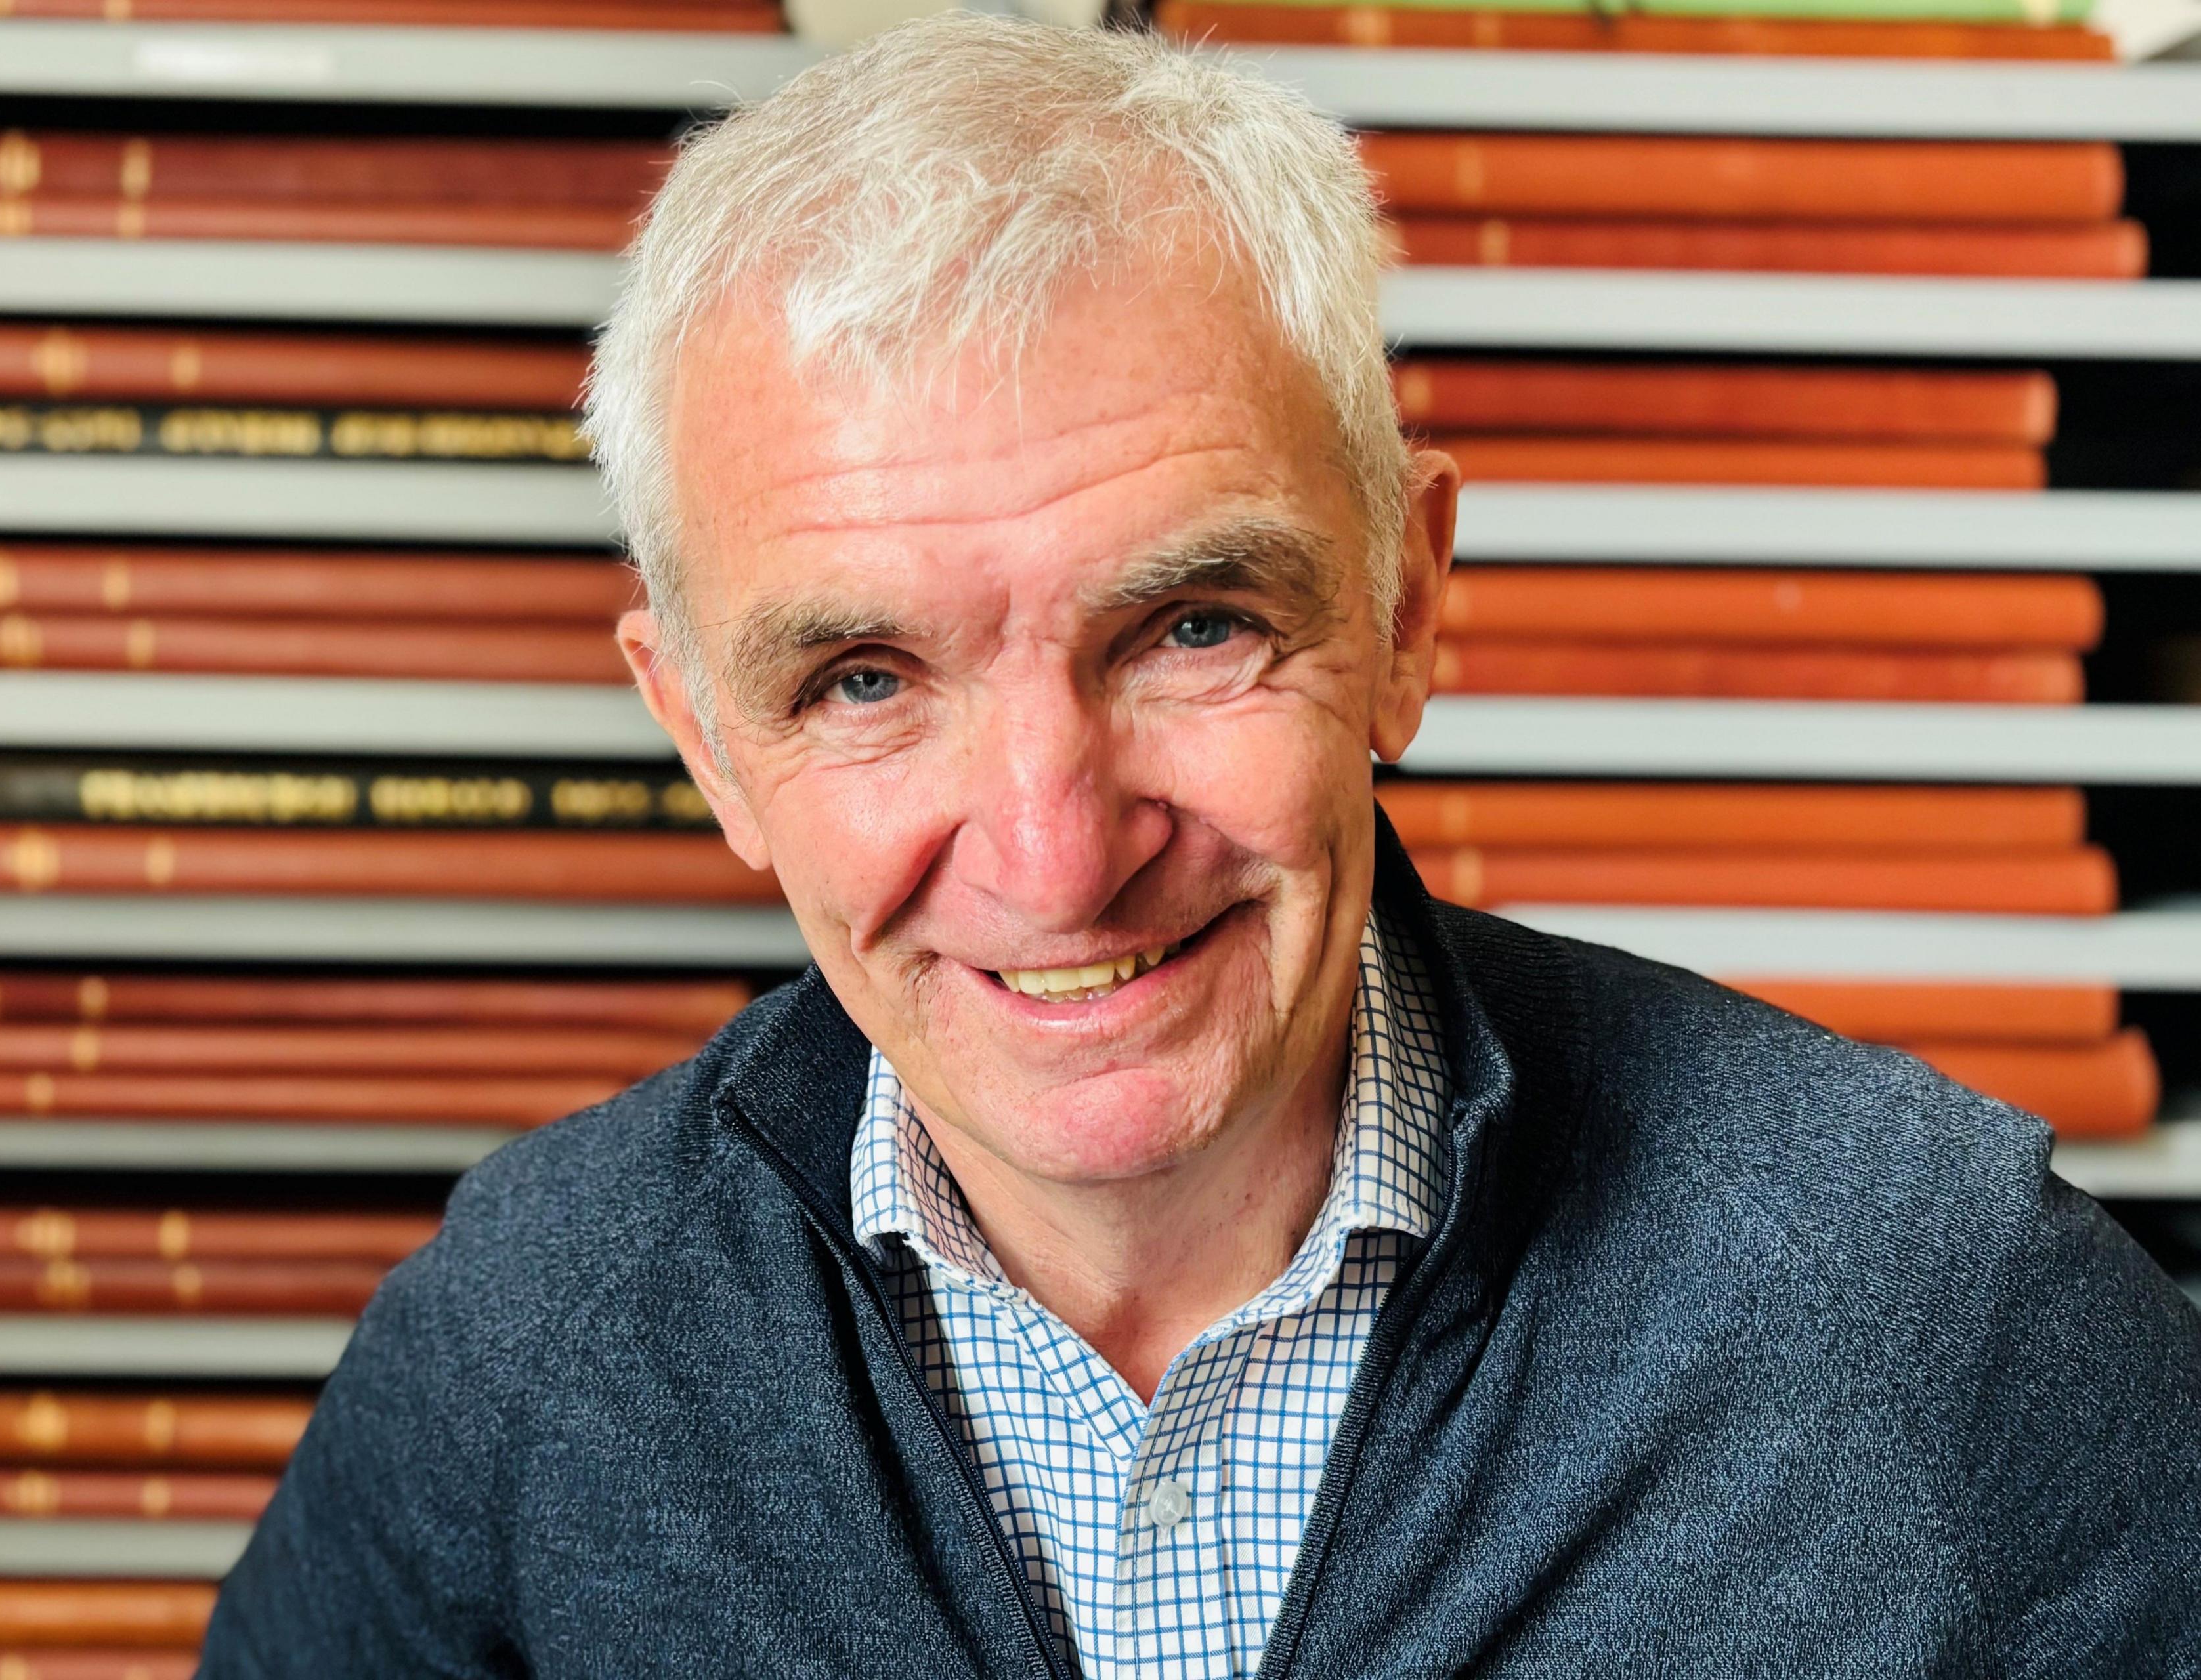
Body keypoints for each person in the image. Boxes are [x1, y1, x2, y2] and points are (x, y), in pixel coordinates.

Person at [198, 17, 2201, 1677]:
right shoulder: (522, 1350)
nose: (1059, 855)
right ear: (706, 740)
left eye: (1191, 629)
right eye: (865, 681)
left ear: (1407, 614)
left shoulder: (1947, 1313)